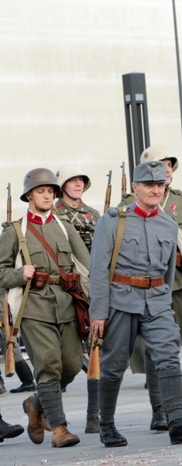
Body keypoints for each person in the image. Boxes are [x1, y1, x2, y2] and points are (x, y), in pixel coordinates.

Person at [89, 160, 182, 447]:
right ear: (135, 187)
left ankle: (177, 421)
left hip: (156, 301)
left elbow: (167, 270)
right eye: (149, 185)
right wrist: (99, 313)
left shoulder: (167, 223)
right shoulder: (113, 220)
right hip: (120, 300)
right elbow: (99, 270)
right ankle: (107, 425)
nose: (155, 190)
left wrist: (164, 301)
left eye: (160, 185)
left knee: (168, 356)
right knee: (114, 364)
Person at [0, 168, 90, 447]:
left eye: (51, 191)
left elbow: (87, 263)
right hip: (34, 306)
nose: (47, 195)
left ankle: (36, 403)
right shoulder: (15, 230)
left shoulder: (64, 226)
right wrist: (19, 274)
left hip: (66, 302)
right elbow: (1, 271)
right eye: (41, 191)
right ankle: (60, 428)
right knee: (49, 363)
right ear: (29, 195)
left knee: (72, 365)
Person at [121, 145, 182, 431]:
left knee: (171, 347)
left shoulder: (181, 202)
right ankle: (160, 411)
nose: (166, 168)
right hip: (142, 287)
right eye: (160, 164)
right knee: (150, 349)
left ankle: (174, 412)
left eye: (170, 164)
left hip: (177, 283)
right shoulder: (126, 206)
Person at [55, 164, 101, 433]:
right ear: (62, 185)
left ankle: (93, 416)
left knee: (97, 351)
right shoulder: (54, 215)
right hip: (64, 290)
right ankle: (46, 403)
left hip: (92, 288)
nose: (77, 184)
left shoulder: (94, 215)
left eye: (81, 180)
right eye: (72, 181)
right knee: (64, 357)